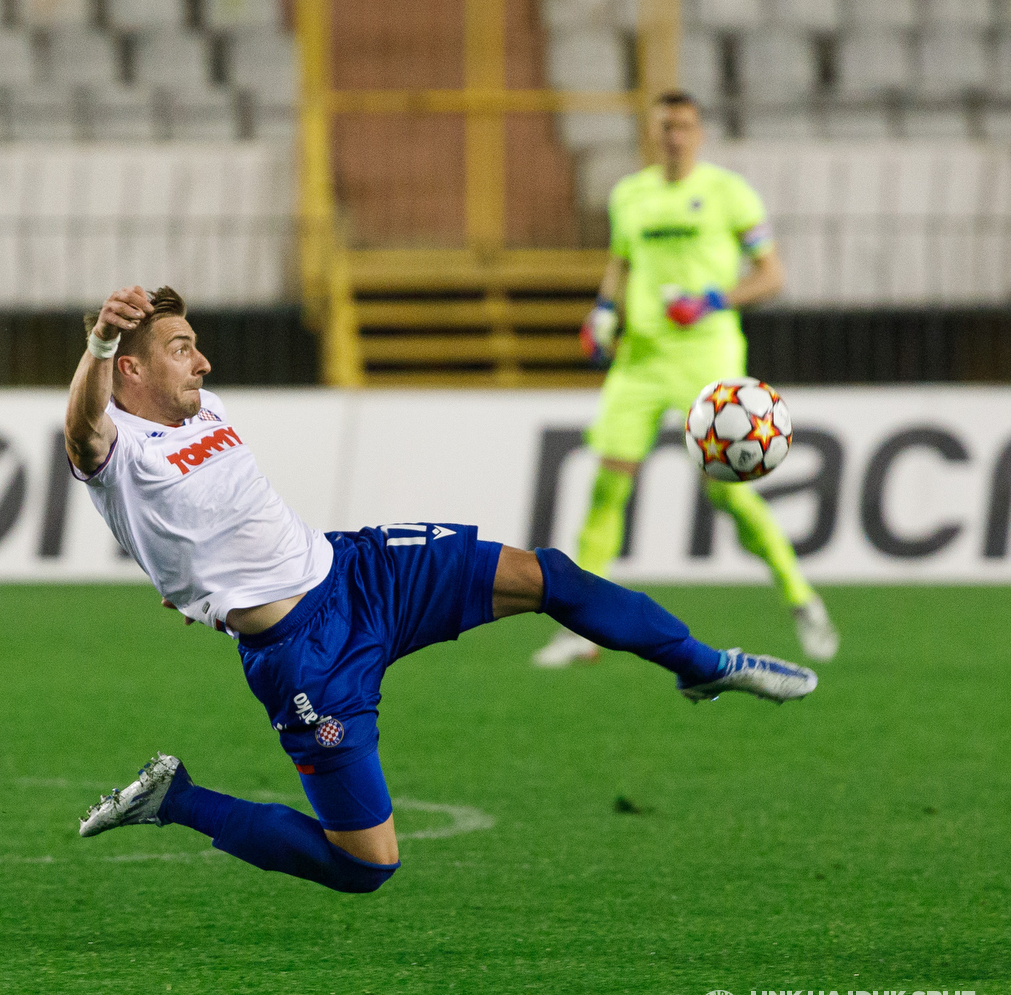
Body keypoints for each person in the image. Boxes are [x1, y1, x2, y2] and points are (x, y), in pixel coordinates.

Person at [66, 284, 816, 895]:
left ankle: (701, 663)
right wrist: (100, 341)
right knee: (365, 863)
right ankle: (177, 798)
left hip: (360, 571)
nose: (202, 360)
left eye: (195, 343)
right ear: (129, 370)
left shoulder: (210, 409)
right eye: (181, 347)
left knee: (548, 574)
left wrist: (184, 579)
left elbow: (205, 525)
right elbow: (82, 430)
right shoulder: (115, 447)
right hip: (306, 658)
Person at [536, 90, 838, 670]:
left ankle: (801, 598)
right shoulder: (630, 196)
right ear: (653, 133)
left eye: (685, 126)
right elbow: (621, 266)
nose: (675, 135)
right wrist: (603, 311)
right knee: (607, 487)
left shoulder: (729, 194)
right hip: (642, 359)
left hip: (708, 361)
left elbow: (771, 275)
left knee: (729, 494)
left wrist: (712, 301)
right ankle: (582, 632)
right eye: (666, 126)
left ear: (699, 133)